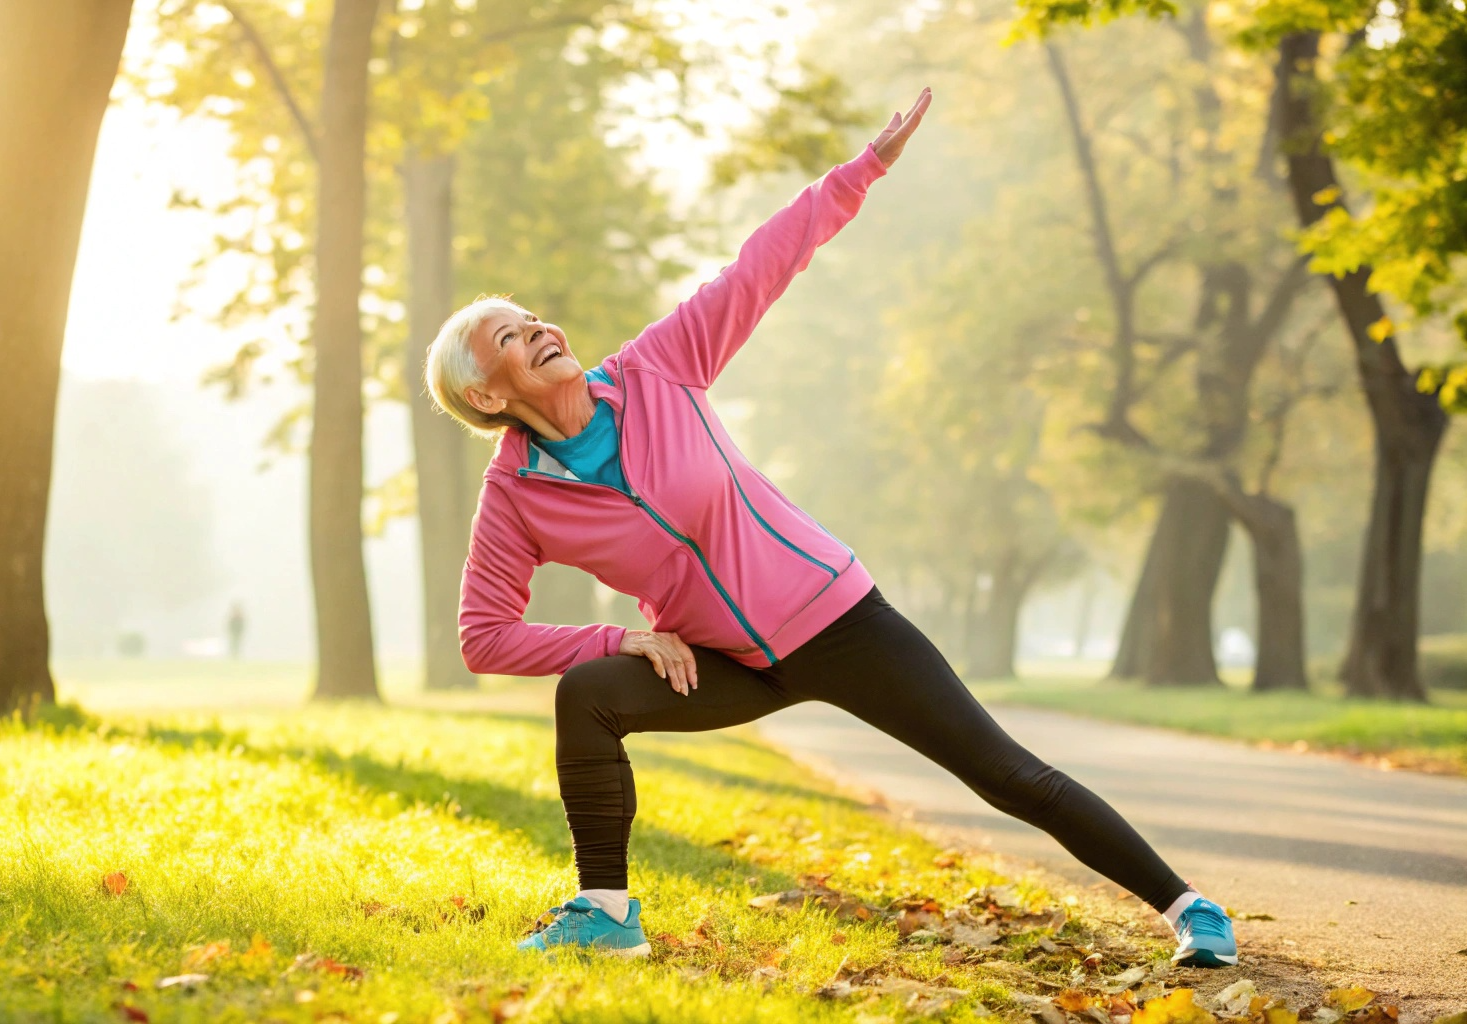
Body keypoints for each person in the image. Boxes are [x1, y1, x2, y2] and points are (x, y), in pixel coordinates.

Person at [421, 87, 1236, 969]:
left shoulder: (658, 368)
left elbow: (760, 265)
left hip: (839, 621)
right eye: (511, 334)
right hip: (725, 663)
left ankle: (1190, 908)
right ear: (488, 395)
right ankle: (607, 913)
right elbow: (483, 637)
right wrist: (622, 636)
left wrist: (864, 170)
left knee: (1004, 772)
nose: (540, 327)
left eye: (533, 316)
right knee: (587, 694)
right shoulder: (515, 495)